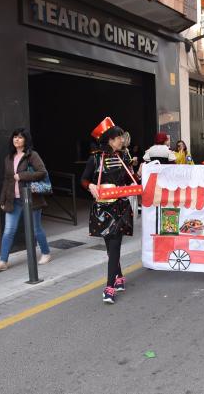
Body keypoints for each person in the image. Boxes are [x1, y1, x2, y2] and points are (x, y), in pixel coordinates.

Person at [81, 117, 134, 304]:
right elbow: (84, 179)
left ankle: (109, 288)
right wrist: (91, 187)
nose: (122, 140)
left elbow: (130, 180)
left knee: (115, 245)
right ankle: (119, 277)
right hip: (102, 208)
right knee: (109, 246)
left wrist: (139, 174)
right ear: (110, 140)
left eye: (121, 137)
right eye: (118, 137)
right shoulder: (95, 158)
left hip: (120, 207)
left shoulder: (124, 156)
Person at [0, 128, 51, 272]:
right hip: (14, 200)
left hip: (31, 199)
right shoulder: (9, 158)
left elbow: (42, 172)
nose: (16, 139)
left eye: (20, 137)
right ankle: (3, 261)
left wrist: (22, 176)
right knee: (8, 230)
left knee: (36, 229)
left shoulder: (32, 155)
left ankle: (46, 252)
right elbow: (6, 180)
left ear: (26, 140)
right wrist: (3, 200)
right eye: (15, 137)